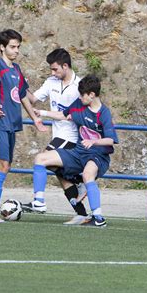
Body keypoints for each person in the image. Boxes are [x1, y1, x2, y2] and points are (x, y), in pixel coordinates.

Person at [0, 29, 47, 223]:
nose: (16, 51)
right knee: (2, 165)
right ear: (2, 47)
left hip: (11, 124)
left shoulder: (16, 69)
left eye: (18, 47)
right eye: (12, 47)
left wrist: (35, 119)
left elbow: (23, 96)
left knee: (5, 166)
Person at [30, 75, 118, 227]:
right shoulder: (79, 103)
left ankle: (98, 218)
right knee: (40, 158)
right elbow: (62, 115)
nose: (79, 97)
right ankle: (39, 201)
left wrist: (93, 141)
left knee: (88, 174)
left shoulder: (104, 113)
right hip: (78, 152)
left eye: (82, 94)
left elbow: (111, 140)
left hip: (98, 155)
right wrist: (42, 113)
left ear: (91, 95)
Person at [22, 48, 90, 225]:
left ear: (65, 66)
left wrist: (43, 113)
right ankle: (82, 212)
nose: (52, 73)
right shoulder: (51, 81)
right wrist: (20, 82)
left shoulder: (79, 86)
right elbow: (33, 98)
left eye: (55, 69)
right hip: (58, 136)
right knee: (63, 177)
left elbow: (67, 115)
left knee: (40, 158)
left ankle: (39, 202)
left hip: (72, 138)